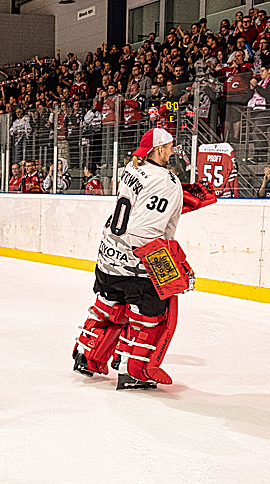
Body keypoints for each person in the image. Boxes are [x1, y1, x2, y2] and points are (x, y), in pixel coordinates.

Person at [71, 127, 185, 390]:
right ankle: (133, 369)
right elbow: (157, 227)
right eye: (168, 147)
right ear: (157, 150)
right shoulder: (169, 182)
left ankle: (86, 356)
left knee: (109, 306)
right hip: (139, 258)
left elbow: (140, 207)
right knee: (151, 314)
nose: (171, 151)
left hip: (108, 253)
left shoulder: (130, 170)